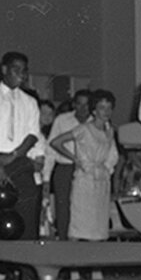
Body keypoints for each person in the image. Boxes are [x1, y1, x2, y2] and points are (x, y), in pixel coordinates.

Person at [0, 51, 43, 280]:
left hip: (18, 161)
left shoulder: (30, 102)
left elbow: (33, 134)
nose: (21, 75)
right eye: (16, 70)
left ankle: (28, 275)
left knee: (27, 219)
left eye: (24, 71)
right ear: (4, 70)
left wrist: (13, 157)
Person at [49, 90, 119, 279]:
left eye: (108, 108)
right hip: (84, 181)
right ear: (94, 110)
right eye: (101, 107)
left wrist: (106, 169)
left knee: (98, 227)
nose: (105, 112)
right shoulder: (84, 129)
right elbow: (56, 142)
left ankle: (96, 269)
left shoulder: (109, 131)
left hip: (102, 182)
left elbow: (113, 155)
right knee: (79, 227)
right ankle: (74, 270)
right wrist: (76, 159)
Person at [44, 90, 91, 240]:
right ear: (73, 104)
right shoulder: (62, 120)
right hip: (65, 168)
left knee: (86, 210)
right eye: (79, 104)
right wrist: (46, 178)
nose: (83, 108)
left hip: (88, 171)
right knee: (63, 210)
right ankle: (64, 244)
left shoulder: (97, 122)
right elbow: (50, 150)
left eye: (87, 104)